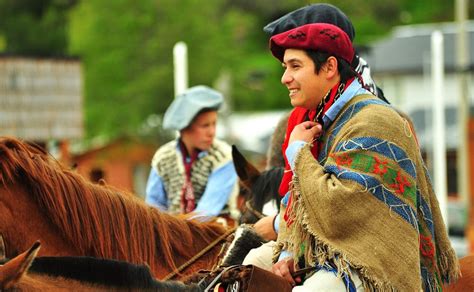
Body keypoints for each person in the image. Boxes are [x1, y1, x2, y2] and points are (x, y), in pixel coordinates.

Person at [245, 5, 460, 291]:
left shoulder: (373, 120)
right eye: (286, 67)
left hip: (375, 263)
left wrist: (298, 153)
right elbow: (305, 210)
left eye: (295, 66)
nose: (285, 78)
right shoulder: (321, 117)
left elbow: (337, 213)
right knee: (248, 267)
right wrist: (291, 254)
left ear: (330, 67)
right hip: (332, 251)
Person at [145, 85, 239, 219]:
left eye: (214, 124)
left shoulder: (224, 156)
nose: (212, 132)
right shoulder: (163, 157)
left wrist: (173, 227)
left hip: (217, 234)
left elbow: (207, 212)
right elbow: (153, 207)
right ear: (185, 128)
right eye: (205, 126)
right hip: (170, 233)